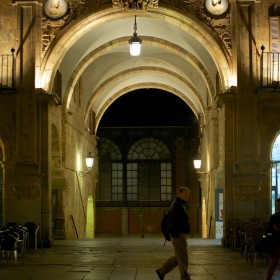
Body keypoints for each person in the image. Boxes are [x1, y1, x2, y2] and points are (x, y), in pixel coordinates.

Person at [156, 186, 191, 280]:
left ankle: (161, 271)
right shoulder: (177, 205)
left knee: (178, 257)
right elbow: (175, 221)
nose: (187, 195)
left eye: (188, 194)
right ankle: (184, 276)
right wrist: (175, 236)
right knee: (182, 257)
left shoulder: (181, 204)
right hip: (178, 235)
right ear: (179, 193)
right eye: (185, 193)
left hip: (180, 234)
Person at [266, 197, 280, 280]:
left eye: (279, 204)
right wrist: (273, 228)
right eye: (277, 204)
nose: (278, 206)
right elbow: (268, 230)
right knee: (273, 264)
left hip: (276, 243)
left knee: (273, 264)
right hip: (276, 243)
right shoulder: (274, 217)